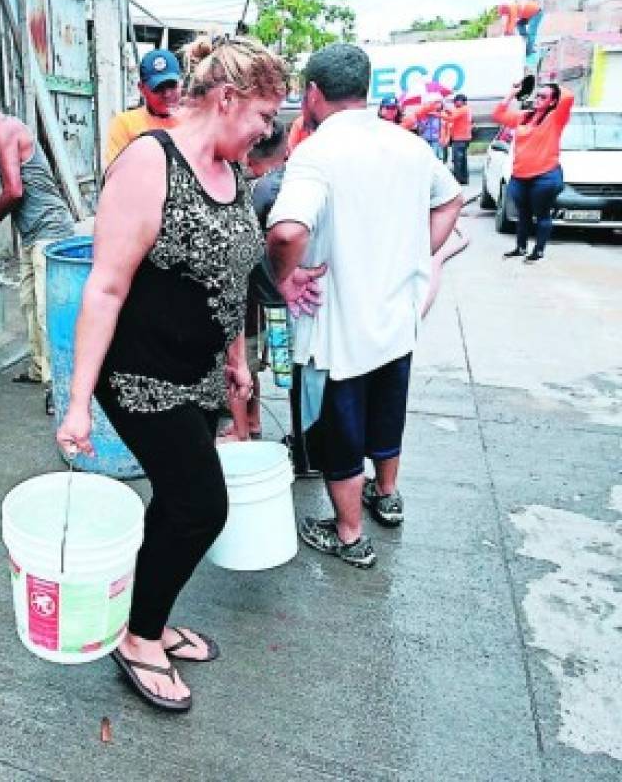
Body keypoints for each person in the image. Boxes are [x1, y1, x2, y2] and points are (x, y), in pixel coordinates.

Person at [55, 35, 323, 712]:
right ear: (228, 99)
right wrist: (78, 401)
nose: (268, 130)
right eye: (264, 115)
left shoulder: (232, 174)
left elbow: (232, 279)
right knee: (203, 506)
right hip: (141, 375)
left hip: (201, 374)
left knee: (175, 503)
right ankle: (139, 639)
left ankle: (145, 611)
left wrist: (236, 363)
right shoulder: (149, 162)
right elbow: (106, 288)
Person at [266, 43, 463, 569]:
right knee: (387, 411)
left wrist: (282, 278)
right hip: (397, 318)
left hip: (339, 329)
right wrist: (418, 254)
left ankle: (350, 535)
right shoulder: (408, 145)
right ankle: (387, 495)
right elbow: (450, 200)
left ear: (312, 93)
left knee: (340, 435)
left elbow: (286, 230)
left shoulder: (316, 152)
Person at [0, 83, 76, 410]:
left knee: (45, 311)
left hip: (50, 231)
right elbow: (14, 194)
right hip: (32, 233)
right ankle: (40, 369)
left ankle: (58, 386)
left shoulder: (5, 130)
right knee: (28, 302)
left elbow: (14, 190)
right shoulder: (4, 133)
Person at [218, 120, 290, 444]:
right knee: (255, 365)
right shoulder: (295, 181)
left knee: (238, 366)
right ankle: (254, 420)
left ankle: (241, 432)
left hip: (249, 299)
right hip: (275, 299)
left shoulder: (259, 190)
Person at [492, 81, 573, 263]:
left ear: (553, 102)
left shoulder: (556, 118)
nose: (537, 99)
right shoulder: (524, 117)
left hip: (544, 176)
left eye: (543, 97)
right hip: (520, 176)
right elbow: (498, 115)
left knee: (542, 214)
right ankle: (520, 248)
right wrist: (512, 93)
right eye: (537, 95)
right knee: (523, 214)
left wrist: (554, 85)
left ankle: (538, 250)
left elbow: (568, 97)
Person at [104, 48, 182, 167]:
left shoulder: (193, 122)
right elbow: (116, 173)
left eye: (172, 86)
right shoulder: (125, 124)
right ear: (142, 89)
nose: (167, 94)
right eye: (158, 88)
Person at [445, 93, 473, 184]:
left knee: (458, 160)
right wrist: (448, 111)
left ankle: (458, 179)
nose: (454, 103)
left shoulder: (463, 109)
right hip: (464, 138)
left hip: (459, 138)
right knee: (463, 159)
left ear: (462, 101)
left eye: (456, 101)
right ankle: (464, 179)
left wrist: (436, 114)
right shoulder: (466, 109)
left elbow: (451, 118)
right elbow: (454, 115)